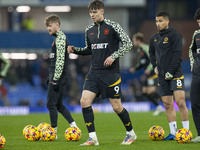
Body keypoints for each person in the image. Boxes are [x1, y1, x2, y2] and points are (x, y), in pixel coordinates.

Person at [68, 0, 136, 146]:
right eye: (90, 12)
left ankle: (131, 133)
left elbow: (128, 43)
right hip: (94, 73)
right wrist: (76, 50)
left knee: (116, 107)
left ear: (102, 11)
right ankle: (93, 138)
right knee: (84, 101)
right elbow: (89, 50)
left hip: (111, 74)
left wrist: (114, 56)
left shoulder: (113, 26)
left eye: (95, 12)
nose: (92, 15)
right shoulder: (89, 30)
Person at [149, 12, 189, 140]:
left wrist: (171, 72)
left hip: (175, 74)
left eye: (160, 21)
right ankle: (173, 132)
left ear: (167, 21)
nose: (158, 24)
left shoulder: (175, 35)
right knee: (167, 104)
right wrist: (154, 65)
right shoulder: (154, 38)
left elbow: (178, 55)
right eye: (156, 21)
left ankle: (185, 132)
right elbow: (151, 53)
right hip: (161, 75)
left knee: (180, 102)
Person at [44, 14, 79, 139]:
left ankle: (53, 132)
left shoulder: (60, 38)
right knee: (59, 105)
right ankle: (74, 127)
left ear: (57, 25)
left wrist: (55, 78)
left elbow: (59, 60)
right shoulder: (58, 38)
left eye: (50, 25)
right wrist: (51, 76)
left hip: (58, 77)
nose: (48, 28)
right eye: (47, 26)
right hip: (58, 76)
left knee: (50, 104)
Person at [129, 32, 164, 116]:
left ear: (138, 40)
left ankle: (167, 101)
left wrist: (149, 69)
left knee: (151, 92)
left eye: (134, 40)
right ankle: (159, 107)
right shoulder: (139, 50)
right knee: (144, 92)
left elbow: (153, 59)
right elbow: (142, 63)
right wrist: (135, 68)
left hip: (152, 74)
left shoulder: (146, 48)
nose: (133, 43)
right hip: (148, 75)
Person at [189, 8, 200, 143]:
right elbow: (191, 50)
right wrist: (192, 63)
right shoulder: (196, 34)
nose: (199, 24)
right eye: (198, 21)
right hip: (197, 73)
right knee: (195, 103)